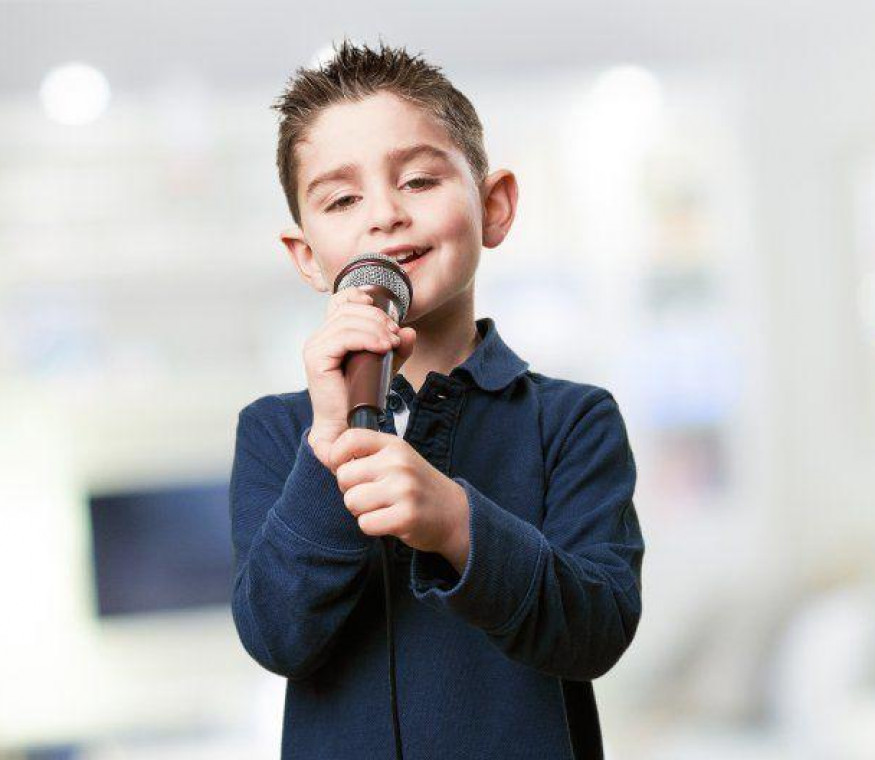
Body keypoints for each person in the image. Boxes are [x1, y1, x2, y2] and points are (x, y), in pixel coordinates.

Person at [228, 37, 645, 759]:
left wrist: (457, 524)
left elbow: (597, 630)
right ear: (307, 256)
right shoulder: (274, 432)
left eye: (419, 181)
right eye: (343, 198)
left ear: (494, 206)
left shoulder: (573, 420)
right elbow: (275, 637)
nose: (384, 215)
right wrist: (329, 448)